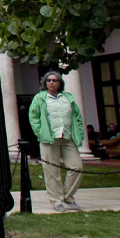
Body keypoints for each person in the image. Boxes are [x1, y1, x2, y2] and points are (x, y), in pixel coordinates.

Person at [28, 71, 86, 212]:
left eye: (54, 80)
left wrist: (78, 131)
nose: (51, 83)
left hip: (67, 138)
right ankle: (56, 200)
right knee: (52, 170)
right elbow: (33, 117)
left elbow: (77, 116)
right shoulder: (40, 98)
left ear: (60, 83)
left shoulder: (67, 97)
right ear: (45, 83)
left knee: (77, 167)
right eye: (49, 80)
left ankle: (68, 197)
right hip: (49, 139)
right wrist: (40, 132)